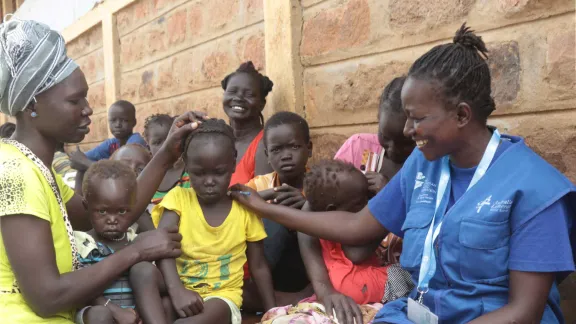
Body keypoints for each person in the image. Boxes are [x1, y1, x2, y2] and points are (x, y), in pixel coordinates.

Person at [229, 24, 576, 324]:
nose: (409, 129)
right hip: (420, 312)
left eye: (418, 118)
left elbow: (524, 312)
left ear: (462, 114)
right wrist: (267, 209)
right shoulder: (426, 164)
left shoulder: (535, 189)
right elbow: (358, 226)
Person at [0, 19, 204, 324]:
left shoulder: (35, 166)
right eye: (74, 99)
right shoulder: (15, 174)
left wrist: (165, 155)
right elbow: (46, 297)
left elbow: (104, 212)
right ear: (32, 105)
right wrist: (136, 251)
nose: (88, 108)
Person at [130, 119, 276, 324]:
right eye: (199, 173)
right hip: (178, 288)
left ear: (233, 163)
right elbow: (163, 248)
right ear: (187, 165)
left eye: (218, 172)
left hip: (221, 297)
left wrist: (272, 312)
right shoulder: (178, 199)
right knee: (141, 271)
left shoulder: (244, 208)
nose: (209, 181)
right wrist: (177, 291)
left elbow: (258, 266)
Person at [242, 111, 313, 311]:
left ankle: (300, 296)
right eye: (277, 149)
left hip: (307, 268)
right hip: (270, 270)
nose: (286, 155)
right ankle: (288, 298)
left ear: (309, 149)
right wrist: (270, 197)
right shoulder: (260, 184)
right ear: (267, 155)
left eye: (294, 146)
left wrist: (307, 205)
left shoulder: (320, 184)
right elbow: (238, 195)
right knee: (272, 222)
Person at [73, 160, 141, 324]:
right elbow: (81, 289)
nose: (112, 219)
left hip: (134, 314)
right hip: (98, 312)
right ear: (86, 207)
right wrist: (115, 311)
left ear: (133, 207)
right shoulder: (82, 245)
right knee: (99, 314)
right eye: (102, 211)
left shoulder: (137, 242)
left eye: (121, 211)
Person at [335, 76, 414, 196]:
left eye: (404, 142)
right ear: (378, 119)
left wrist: (388, 193)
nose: (393, 148)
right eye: (385, 137)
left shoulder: (427, 162)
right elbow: (329, 187)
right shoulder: (358, 146)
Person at [222, 61, 274, 185]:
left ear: (262, 104)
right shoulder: (218, 140)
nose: (238, 98)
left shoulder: (264, 145)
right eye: (232, 92)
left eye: (249, 94)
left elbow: (263, 201)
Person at [68, 100, 147, 171]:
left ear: (134, 122)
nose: (117, 125)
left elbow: (122, 173)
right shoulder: (111, 144)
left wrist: (85, 162)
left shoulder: (136, 142)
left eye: (124, 120)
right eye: (113, 120)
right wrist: (78, 159)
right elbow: (81, 159)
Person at [143, 114, 191, 206]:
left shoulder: (189, 171)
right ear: (148, 148)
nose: (165, 146)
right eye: (157, 142)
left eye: (169, 139)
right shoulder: (149, 181)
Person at [110, 144, 154, 233]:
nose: (132, 172)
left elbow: (159, 239)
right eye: (124, 166)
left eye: (141, 169)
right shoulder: (101, 207)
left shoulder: (156, 209)